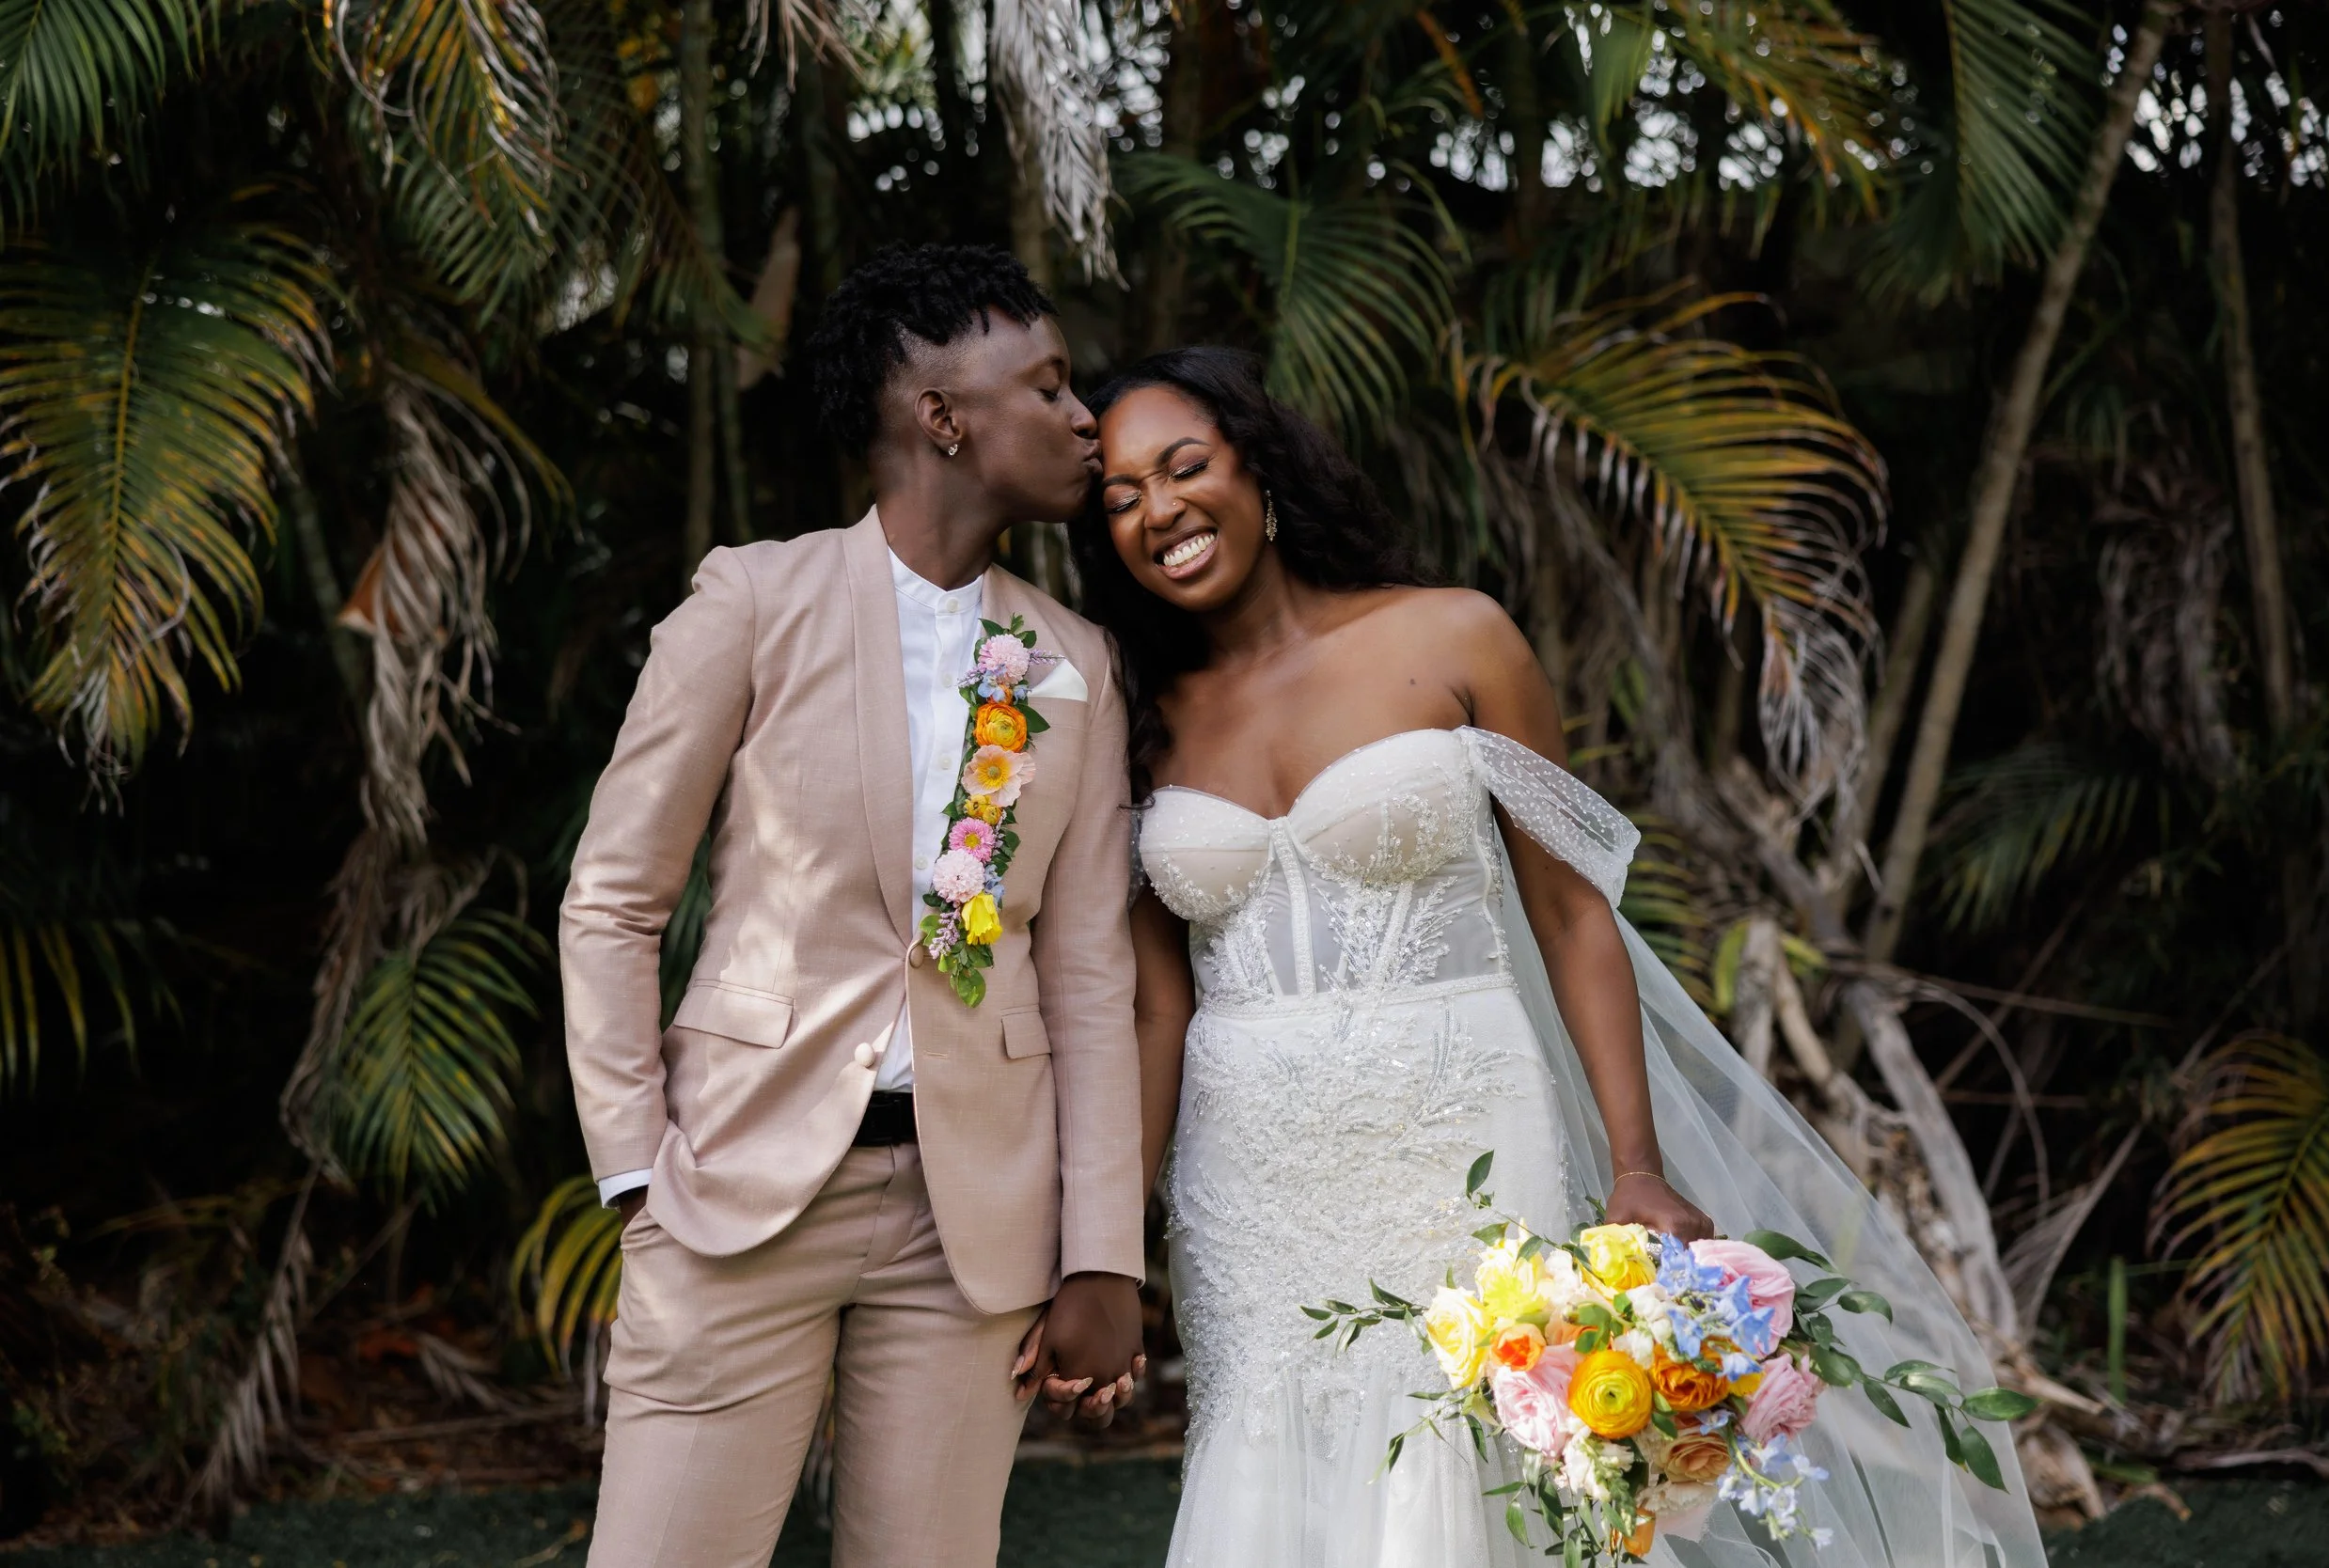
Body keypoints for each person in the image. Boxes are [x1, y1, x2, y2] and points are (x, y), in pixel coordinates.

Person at [1070, 346, 2048, 1568]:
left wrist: (1634, 1164)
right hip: (1250, 1185)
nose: (1158, 510)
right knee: (1267, 1465)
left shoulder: (1456, 636)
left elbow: (1572, 912)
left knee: (1487, 1458)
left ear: (1256, 465)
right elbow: (1158, 1012)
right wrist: (1106, 1253)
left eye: (1183, 467)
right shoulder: (1137, 718)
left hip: (1465, 1135)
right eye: (1118, 496)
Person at [559, 244, 1146, 1568]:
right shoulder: (753, 603)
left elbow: (1087, 977)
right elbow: (612, 900)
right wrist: (639, 1170)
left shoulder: (1077, 663)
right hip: (734, 1193)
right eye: (1046, 386)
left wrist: (1102, 1249)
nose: (1080, 420)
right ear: (941, 416)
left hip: (973, 1226)